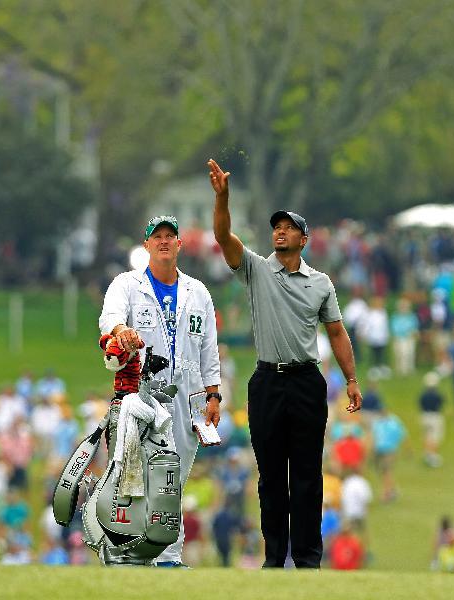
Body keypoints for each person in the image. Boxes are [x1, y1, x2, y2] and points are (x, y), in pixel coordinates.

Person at [208, 158, 361, 569]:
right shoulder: (257, 270)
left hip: (306, 382)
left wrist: (351, 379)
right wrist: (223, 198)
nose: (280, 230)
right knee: (272, 477)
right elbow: (222, 236)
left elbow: (336, 333)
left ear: (304, 239)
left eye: (289, 227)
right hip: (267, 381)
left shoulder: (321, 283)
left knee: (308, 476)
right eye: (277, 226)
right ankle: (275, 559)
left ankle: (308, 559)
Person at [99, 213, 222, 568]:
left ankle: (168, 559)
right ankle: (124, 553)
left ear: (180, 244)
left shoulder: (198, 292)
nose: (165, 241)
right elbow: (110, 317)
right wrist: (122, 330)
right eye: (158, 237)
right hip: (141, 392)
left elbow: (209, 350)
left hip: (186, 395)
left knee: (174, 479)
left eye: (171, 236)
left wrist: (213, 394)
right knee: (132, 477)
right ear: (147, 244)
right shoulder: (127, 284)